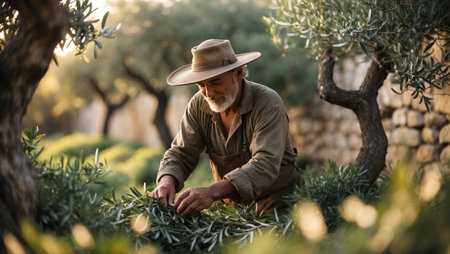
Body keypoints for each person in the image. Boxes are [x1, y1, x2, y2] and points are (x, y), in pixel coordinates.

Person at [150, 39, 301, 216]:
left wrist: (211, 192)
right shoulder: (198, 105)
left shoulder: (267, 103)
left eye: (215, 82)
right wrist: (167, 180)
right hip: (231, 207)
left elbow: (265, 164)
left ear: (238, 74)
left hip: (278, 202)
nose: (209, 93)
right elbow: (181, 153)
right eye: (201, 85)